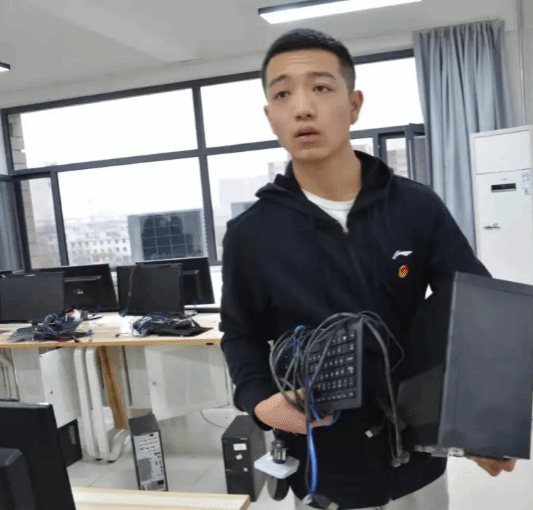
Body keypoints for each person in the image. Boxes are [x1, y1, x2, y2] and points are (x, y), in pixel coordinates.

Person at [220, 29, 517, 510]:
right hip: (323, 462)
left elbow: (478, 306)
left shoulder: (416, 207)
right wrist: (259, 402)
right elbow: (240, 335)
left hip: (415, 458)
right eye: (283, 94)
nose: (302, 108)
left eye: (321, 87)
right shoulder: (251, 233)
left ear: (354, 105)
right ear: (270, 115)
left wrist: (491, 418)